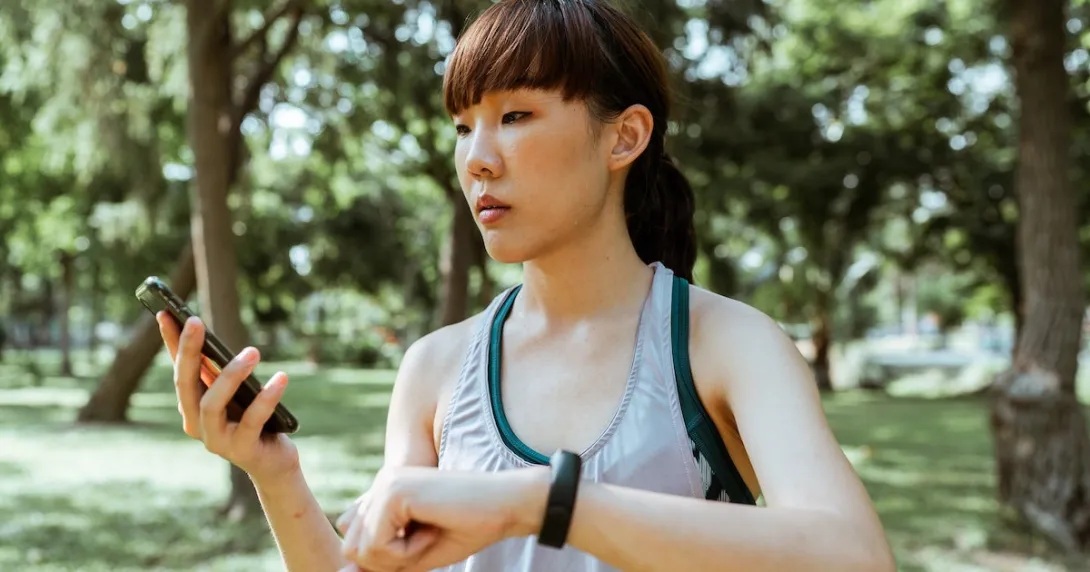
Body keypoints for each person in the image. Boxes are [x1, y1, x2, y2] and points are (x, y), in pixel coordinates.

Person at [156, 1, 895, 570]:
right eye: (462, 126)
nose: (477, 159)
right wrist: (275, 474)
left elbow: (853, 555)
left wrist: (540, 503)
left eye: (514, 116)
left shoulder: (725, 344)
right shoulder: (437, 368)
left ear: (624, 137)